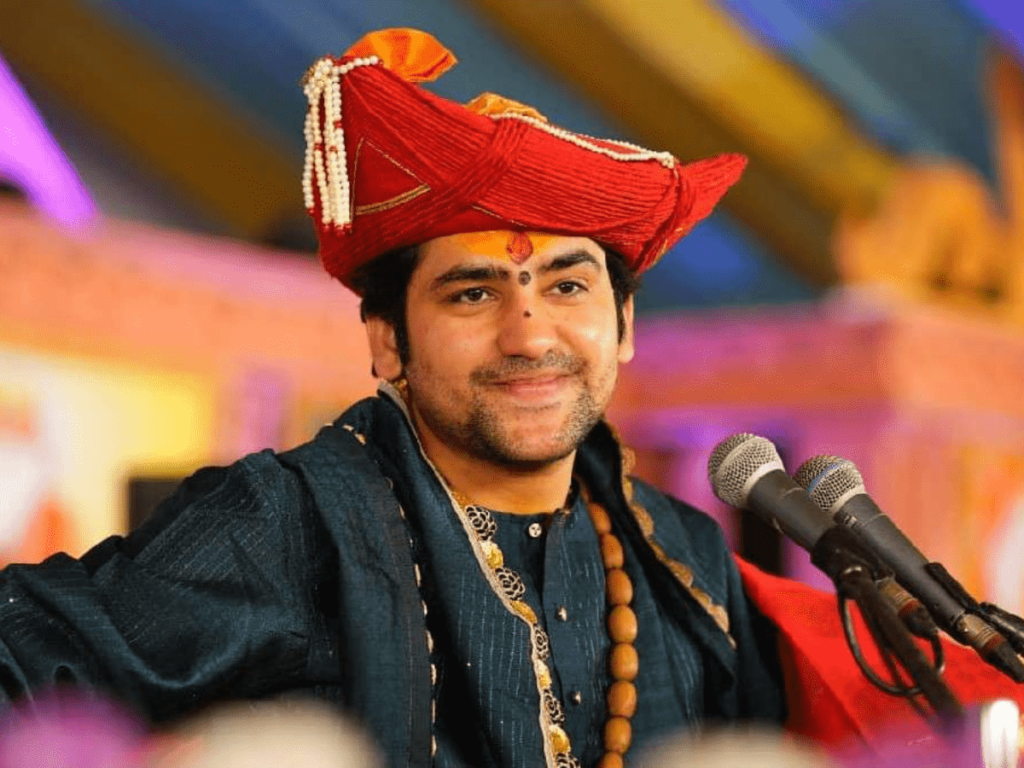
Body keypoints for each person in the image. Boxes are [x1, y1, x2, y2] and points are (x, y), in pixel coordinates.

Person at [0, 27, 791, 768]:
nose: (528, 335)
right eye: (473, 294)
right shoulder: (286, 523)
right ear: (386, 340)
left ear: (623, 324)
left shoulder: (682, 553)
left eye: (568, 286)